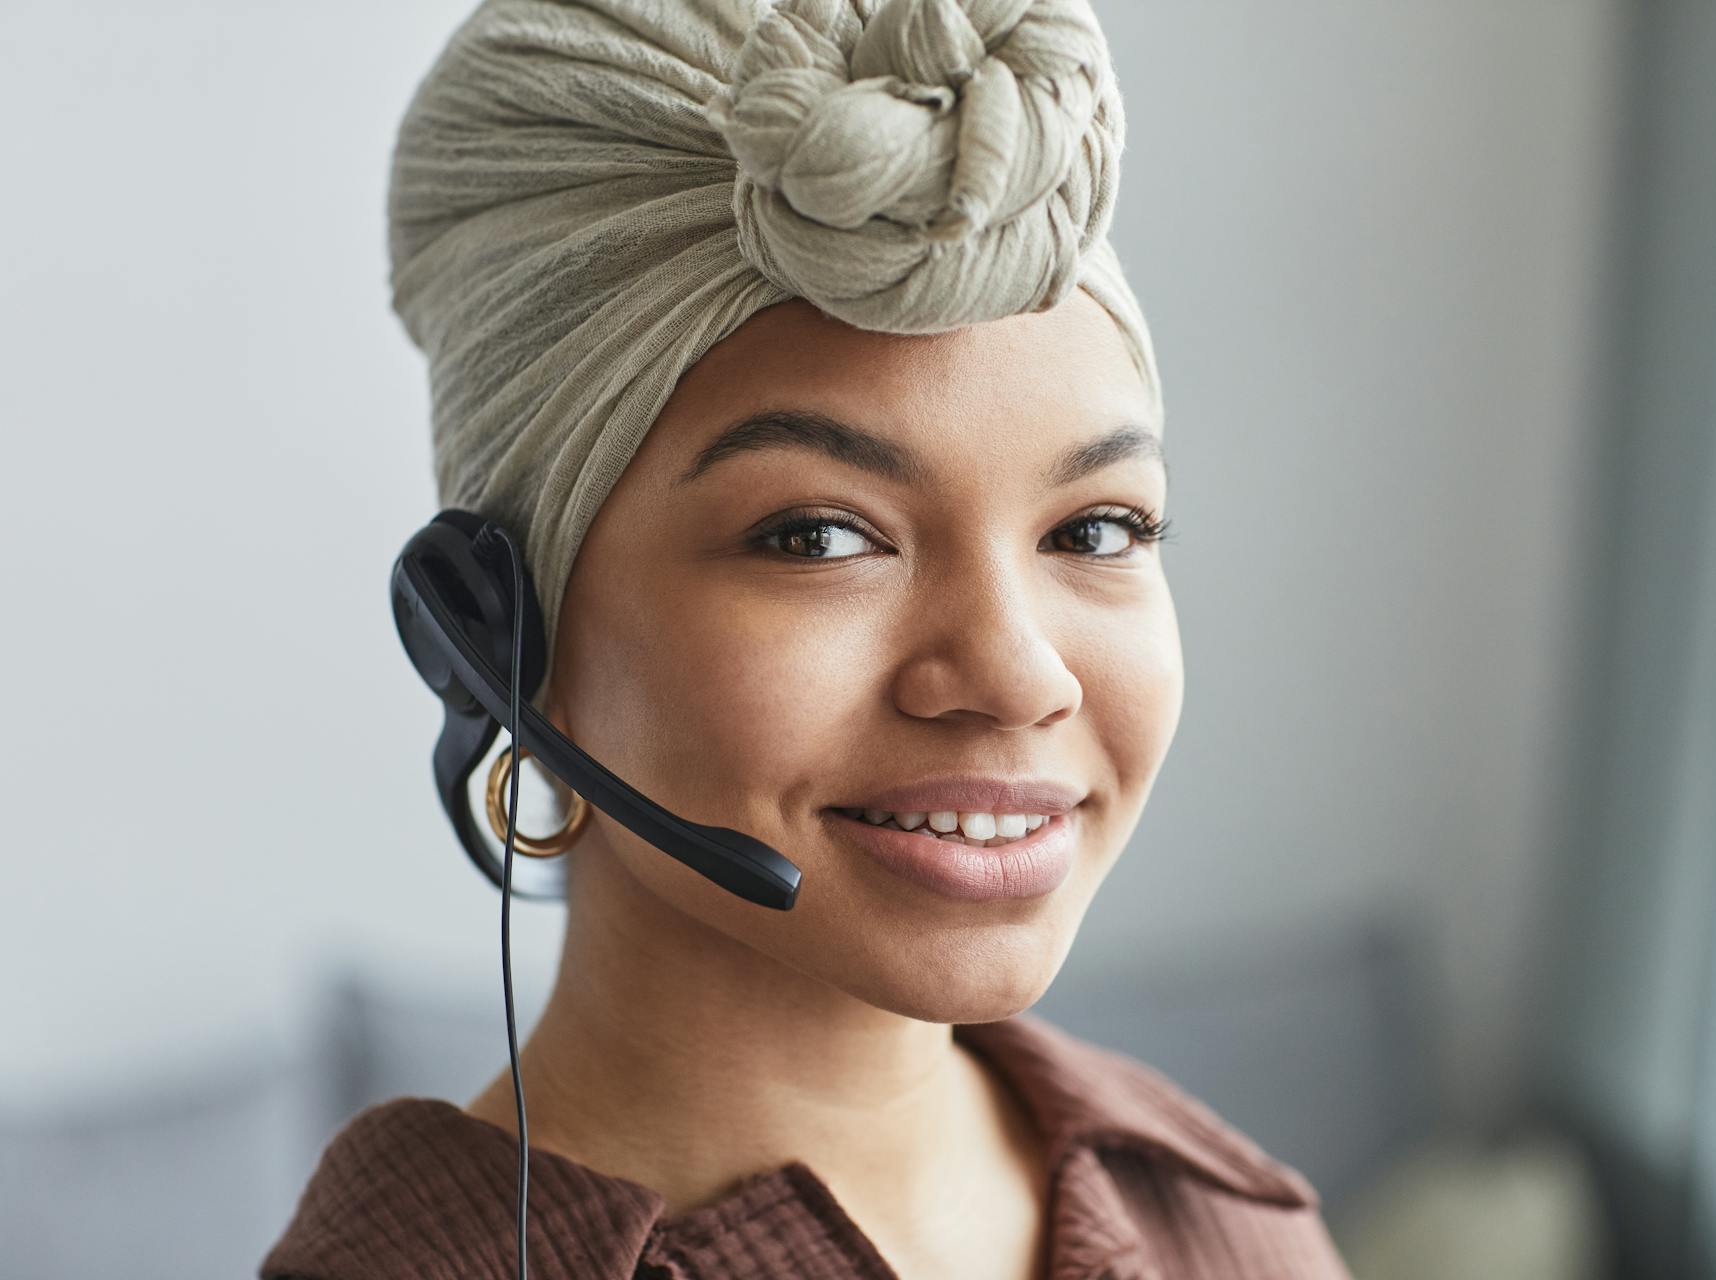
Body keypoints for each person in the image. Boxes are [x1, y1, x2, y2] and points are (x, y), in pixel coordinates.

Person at [262, 0, 1352, 1276]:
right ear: (491, 632)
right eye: (821, 537)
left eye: (1098, 529)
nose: (1016, 673)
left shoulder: (1235, 1227)